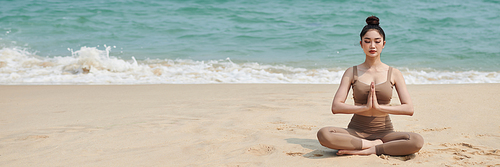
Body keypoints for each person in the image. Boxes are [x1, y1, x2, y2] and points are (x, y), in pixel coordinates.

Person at [316, 16, 424, 156]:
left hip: (385, 133)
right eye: (367, 41)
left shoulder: (394, 73)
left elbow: (409, 109)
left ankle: (369, 150)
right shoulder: (352, 72)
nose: (372, 46)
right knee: (324, 134)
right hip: (355, 131)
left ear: (383, 44)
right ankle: (371, 145)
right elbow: (336, 106)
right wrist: (364, 108)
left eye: (377, 41)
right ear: (361, 44)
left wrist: (379, 108)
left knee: (416, 141)